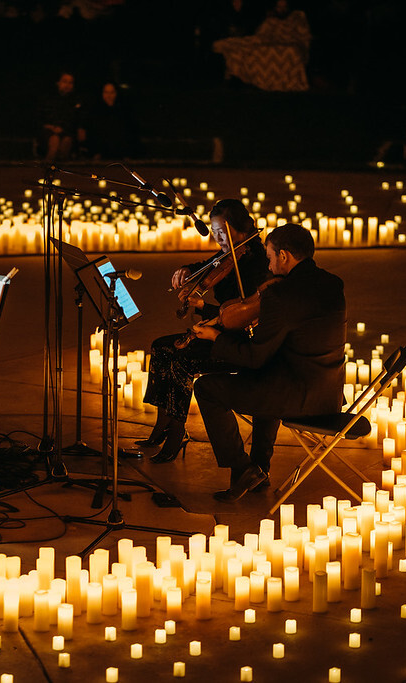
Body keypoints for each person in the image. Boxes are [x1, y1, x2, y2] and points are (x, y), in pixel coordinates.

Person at [191, 223, 346, 502]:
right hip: (329, 395)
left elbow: (253, 357)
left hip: (299, 398)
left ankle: (244, 468)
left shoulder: (280, 294)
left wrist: (216, 337)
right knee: (267, 381)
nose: (269, 262)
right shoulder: (333, 284)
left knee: (207, 388)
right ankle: (259, 470)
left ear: (284, 256)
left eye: (271, 255)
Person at [138, 199, 270, 463]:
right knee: (161, 348)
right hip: (219, 331)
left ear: (241, 229)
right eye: (214, 231)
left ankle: (176, 434)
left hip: (239, 341)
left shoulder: (256, 263)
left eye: (222, 231)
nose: (217, 237)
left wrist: (203, 307)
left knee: (181, 361)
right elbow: (208, 265)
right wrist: (187, 269)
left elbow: (238, 316)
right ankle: (163, 424)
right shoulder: (230, 254)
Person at [37, 71, 85, 163]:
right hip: (48, 132)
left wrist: (64, 129)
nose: (67, 85)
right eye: (64, 81)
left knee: (66, 142)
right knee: (54, 141)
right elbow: (40, 119)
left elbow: (77, 121)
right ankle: (46, 171)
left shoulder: (76, 102)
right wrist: (52, 127)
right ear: (58, 82)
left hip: (68, 133)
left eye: (70, 82)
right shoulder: (48, 99)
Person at [84, 82, 140, 160]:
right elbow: (93, 133)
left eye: (112, 92)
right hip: (101, 152)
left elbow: (130, 132)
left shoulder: (124, 111)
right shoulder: (95, 112)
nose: (109, 96)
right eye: (106, 92)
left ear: (116, 93)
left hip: (121, 152)